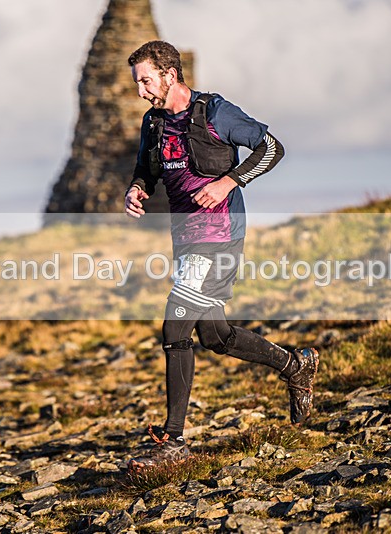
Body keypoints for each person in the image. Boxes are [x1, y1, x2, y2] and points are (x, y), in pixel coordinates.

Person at [123, 41, 319, 470]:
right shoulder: (153, 123)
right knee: (215, 335)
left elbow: (271, 148)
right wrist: (137, 189)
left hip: (220, 234)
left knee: (175, 328)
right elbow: (147, 169)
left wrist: (229, 182)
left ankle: (173, 441)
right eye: (138, 82)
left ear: (170, 75)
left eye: (146, 81)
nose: (140, 90)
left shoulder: (215, 112)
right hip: (186, 238)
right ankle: (294, 366)